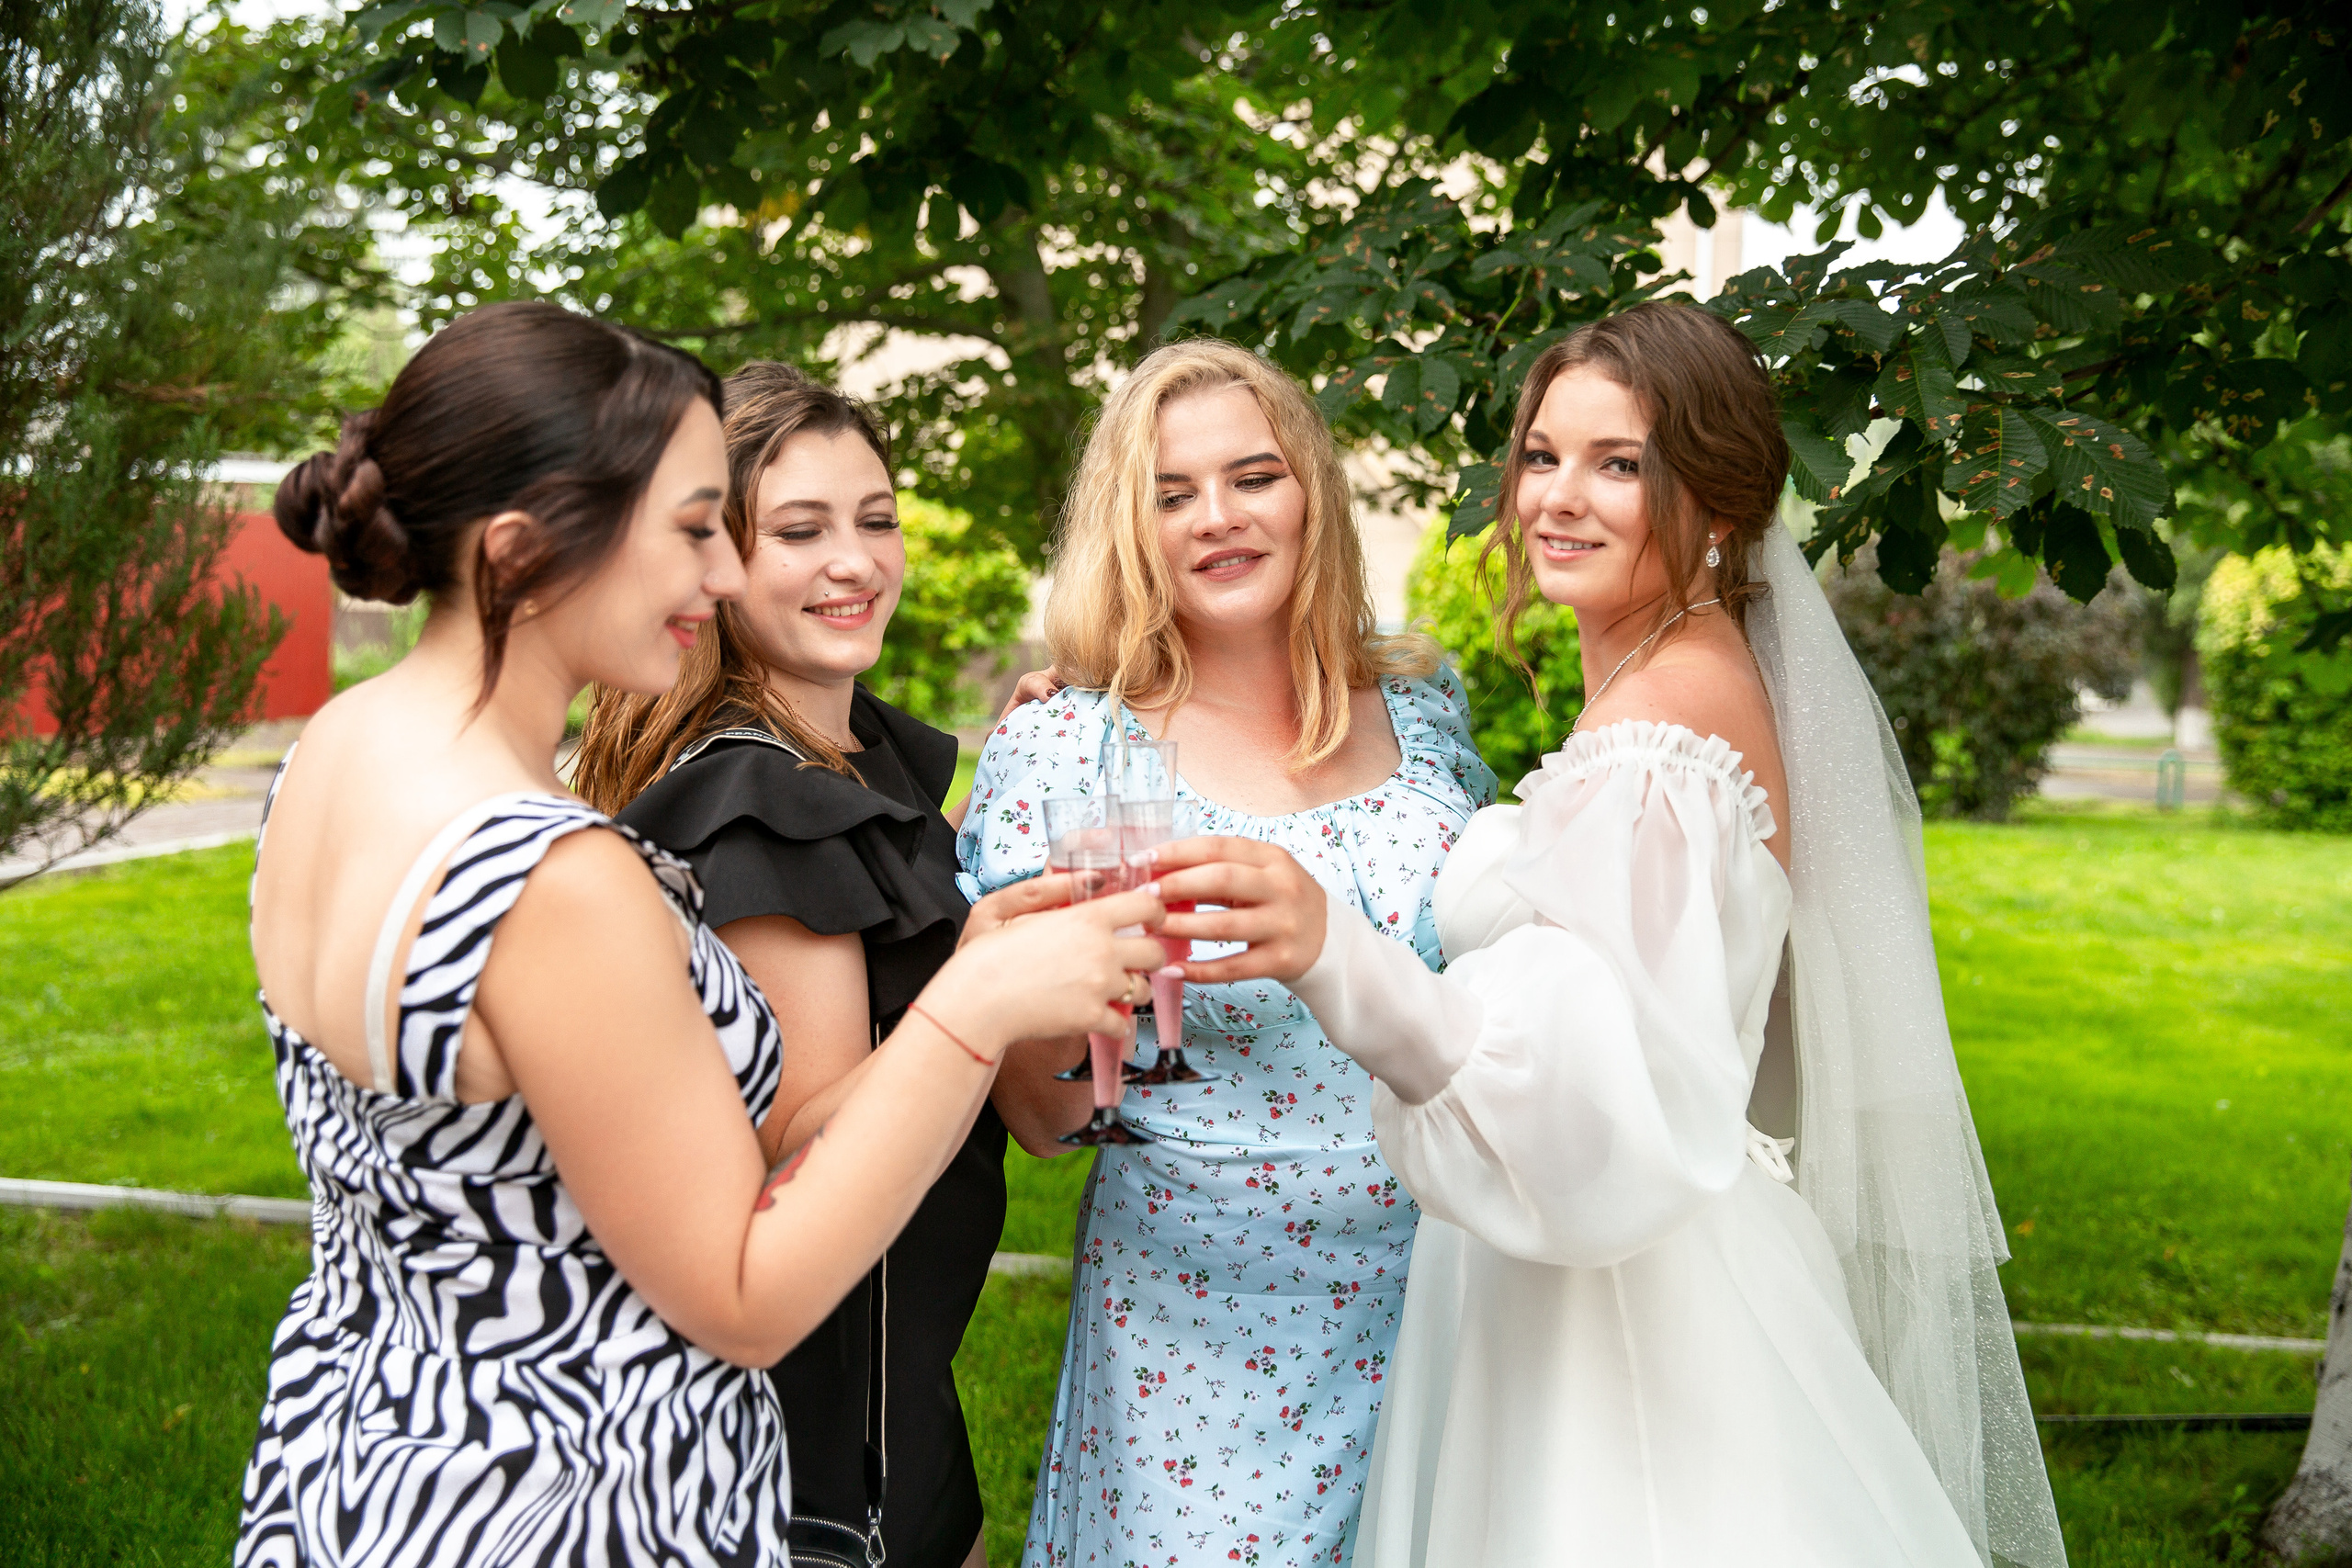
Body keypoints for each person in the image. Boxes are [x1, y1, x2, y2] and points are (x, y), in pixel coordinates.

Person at [242, 300, 1167, 1568]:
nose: (724, 576)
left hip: (368, 1455)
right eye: (694, 532)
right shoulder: (557, 876)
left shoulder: (337, 754)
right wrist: (974, 1000)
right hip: (572, 1502)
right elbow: (747, 1296)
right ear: (522, 552)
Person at [1148, 301, 2068, 1567]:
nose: (1559, 499)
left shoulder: (1667, 742)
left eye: (1619, 464)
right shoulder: (1658, 690)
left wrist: (1329, 949)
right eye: (1542, 456)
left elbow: (1582, 1088)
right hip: (1572, 1274)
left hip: (1631, 1312)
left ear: (1724, 501)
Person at [957, 339, 1496, 1568]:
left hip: (1450, 1288)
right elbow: (1044, 1119)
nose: (1218, 518)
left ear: (1312, 491)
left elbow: (1493, 983)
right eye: (1171, 492)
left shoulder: (1423, 714)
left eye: (1253, 477)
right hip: (1191, 1336)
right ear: (1130, 527)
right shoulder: (1066, 754)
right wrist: (1075, 982)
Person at [573, 363, 1006, 1568]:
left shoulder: (856, 764)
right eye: (801, 531)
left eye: (876, 520)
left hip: (900, 1388)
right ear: (716, 566)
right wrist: (989, 977)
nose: (856, 561)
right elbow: (802, 1145)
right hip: (818, 1442)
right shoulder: (759, 802)